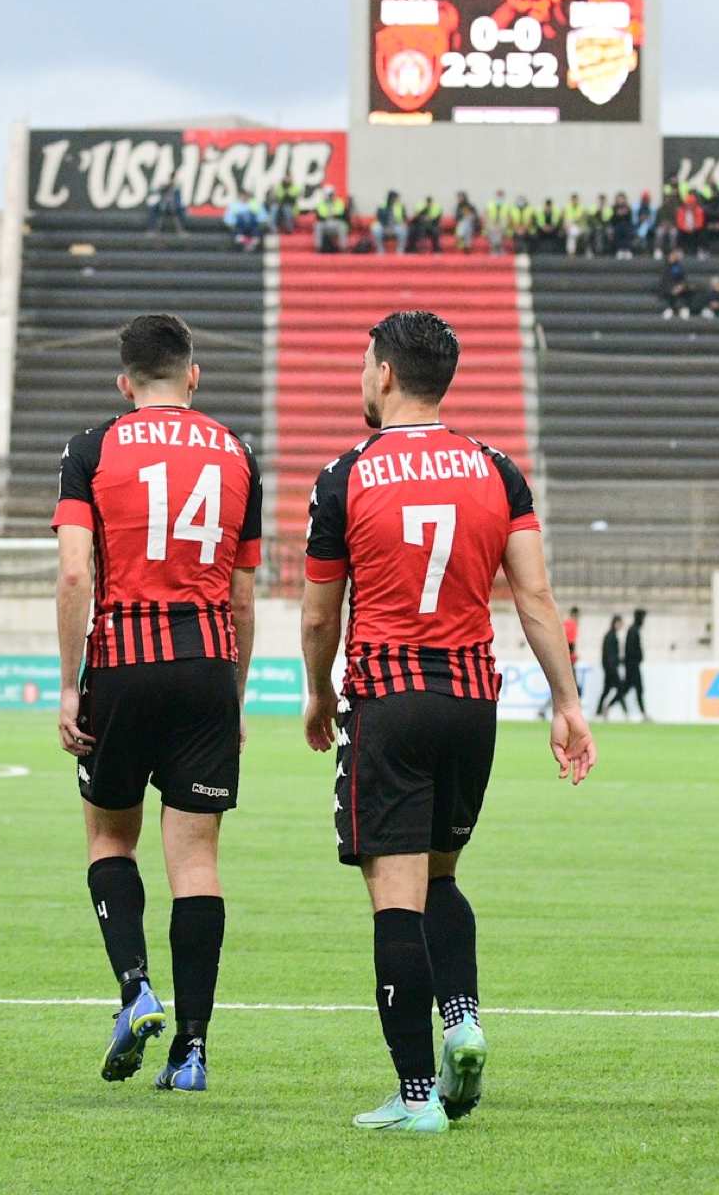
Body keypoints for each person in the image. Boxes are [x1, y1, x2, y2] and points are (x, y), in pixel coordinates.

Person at [301, 310, 596, 1133]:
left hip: (389, 699)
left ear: (386, 374)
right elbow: (535, 598)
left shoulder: (345, 475)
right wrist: (567, 704)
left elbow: (322, 615)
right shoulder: (498, 471)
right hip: (473, 701)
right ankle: (461, 1018)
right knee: (441, 877)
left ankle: (417, 1095)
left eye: (366, 363)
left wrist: (319, 692)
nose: (363, 376)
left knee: (393, 897)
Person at [52, 314, 263, 1093]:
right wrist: (234, 694)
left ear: (124, 382)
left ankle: (136, 987)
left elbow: (76, 576)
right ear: (194, 376)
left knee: (111, 838)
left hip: (124, 662)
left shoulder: (92, 448)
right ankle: (195, 1050)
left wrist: (71, 683)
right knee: (198, 862)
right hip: (207, 666)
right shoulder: (239, 454)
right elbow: (244, 597)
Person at [595, 614, 626, 716]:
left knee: (607, 690)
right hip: (611, 669)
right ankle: (621, 711)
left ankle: (599, 711)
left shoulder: (611, 635)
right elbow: (610, 655)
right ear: (616, 623)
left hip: (610, 668)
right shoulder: (610, 636)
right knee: (620, 689)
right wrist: (612, 668)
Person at [315, 185, 350, 253]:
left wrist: (330, 215)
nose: (331, 196)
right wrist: (332, 215)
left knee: (343, 225)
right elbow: (319, 217)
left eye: (332, 194)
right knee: (317, 225)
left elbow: (342, 216)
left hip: (336, 224)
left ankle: (343, 248)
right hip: (325, 225)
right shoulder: (320, 204)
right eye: (329, 194)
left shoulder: (339, 202)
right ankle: (318, 248)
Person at [660, 249, 693, 319]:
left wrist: (681, 287)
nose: (673, 257)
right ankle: (669, 309)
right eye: (672, 256)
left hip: (680, 291)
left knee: (684, 293)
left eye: (675, 256)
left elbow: (684, 279)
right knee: (670, 293)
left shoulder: (680, 267)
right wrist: (672, 289)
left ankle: (682, 308)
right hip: (668, 291)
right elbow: (664, 282)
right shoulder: (665, 268)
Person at [676, 190, 708, 258]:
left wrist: (693, 228)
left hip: (695, 229)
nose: (689, 206)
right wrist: (685, 228)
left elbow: (700, 222)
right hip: (684, 229)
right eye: (688, 204)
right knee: (679, 233)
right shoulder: (681, 210)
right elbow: (679, 222)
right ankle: (679, 251)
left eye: (691, 204)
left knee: (702, 233)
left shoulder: (699, 210)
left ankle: (701, 250)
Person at [484, 189, 512, 256]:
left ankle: (496, 249)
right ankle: (496, 249)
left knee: (499, 229)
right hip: (492, 224)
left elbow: (509, 217)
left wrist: (501, 224)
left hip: (503, 225)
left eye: (501, 195)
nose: (499, 197)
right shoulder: (489, 204)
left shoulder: (507, 205)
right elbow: (486, 216)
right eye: (498, 195)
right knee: (493, 229)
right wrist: (492, 223)